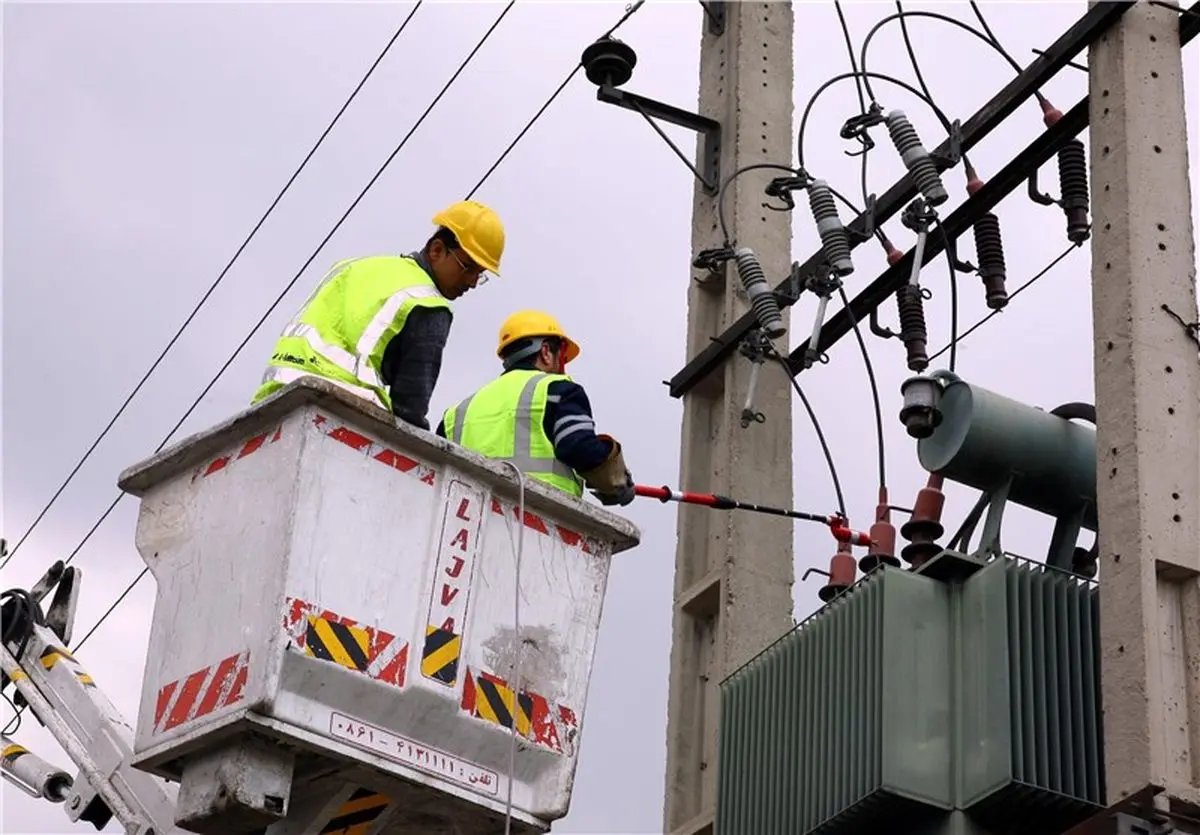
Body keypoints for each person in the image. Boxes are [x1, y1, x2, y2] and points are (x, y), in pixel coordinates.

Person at [250, 200, 505, 430]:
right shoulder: (428, 304)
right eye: (468, 267)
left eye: (480, 274)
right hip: (342, 411)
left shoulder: (354, 266)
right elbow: (410, 407)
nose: (472, 281)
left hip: (273, 398)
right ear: (437, 250)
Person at [435, 310, 635, 507]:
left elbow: (437, 465)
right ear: (546, 352)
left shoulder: (458, 412)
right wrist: (617, 482)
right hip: (537, 520)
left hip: (466, 522)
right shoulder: (557, 390)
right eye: (562, 358)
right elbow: (579, 447)